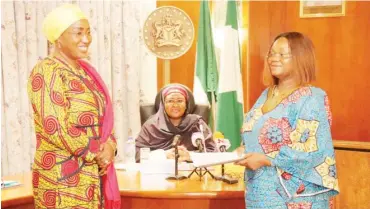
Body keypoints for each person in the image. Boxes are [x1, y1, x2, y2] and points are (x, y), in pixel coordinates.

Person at [27, 4, 120, 209]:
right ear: (58, 38)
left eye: (88, 32)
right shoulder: (46, 71)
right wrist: (98, 153)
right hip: (60, 179)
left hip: (92, 176)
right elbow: (55, 127)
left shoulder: (86, 72)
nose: (86, 39)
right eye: (78, 33)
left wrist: (111, 147)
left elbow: (105, 120)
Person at [235, 32, 339, 209]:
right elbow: (256, 135)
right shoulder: (265, 94)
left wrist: (266, 159)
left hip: (294, 197)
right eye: (272, 53)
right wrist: (244, 149)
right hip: (258, 191)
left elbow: (311, 150)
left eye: (282, 54)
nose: (274, 58)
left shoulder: (312, 97)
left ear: (301, 57)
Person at [136, 84, 217, 162]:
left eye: (180, 101)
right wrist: (164, 155)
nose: (175, 105)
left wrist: (189, 156)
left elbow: (213, 152)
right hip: (160, 172)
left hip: (192, 172)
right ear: (163, 105)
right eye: (170, 101)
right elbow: (138, 154)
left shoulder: (197, 123)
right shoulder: (151, 126)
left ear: (186, 104)